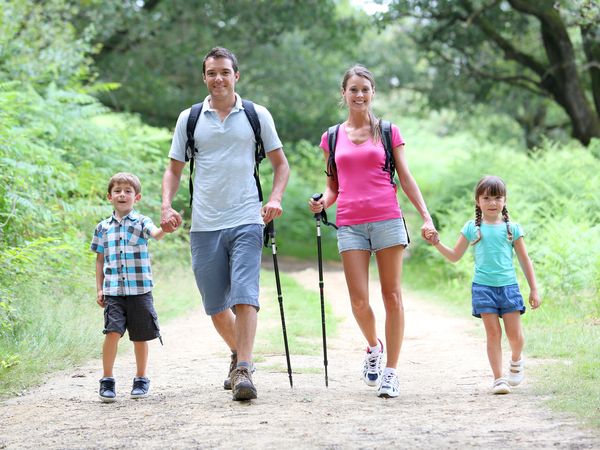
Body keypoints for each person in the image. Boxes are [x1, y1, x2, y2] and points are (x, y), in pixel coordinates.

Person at [161, 47, 289, 401]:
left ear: (236, 76)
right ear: (204, 77)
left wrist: (275, 198)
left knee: (245, 296)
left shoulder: (255, 115)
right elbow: (174, 169)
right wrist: (166, 205)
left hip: (247, 218)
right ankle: (238, 353)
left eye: (225, 72)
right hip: (204, 224)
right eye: (212, 72)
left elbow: (281, 164)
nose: (218, 78)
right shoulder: (189, 119)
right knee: (216, 306)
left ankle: (244, 369)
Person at [308, 65, 437, 398]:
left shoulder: (389, 131)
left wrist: (425, 216)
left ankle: (392, 372)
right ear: (344, 93)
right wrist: (323, 201)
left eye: (365, 89)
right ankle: (373, 347)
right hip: (350, 223)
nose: (359, 95)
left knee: (392, 296)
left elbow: (405, 177)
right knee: (358, 301)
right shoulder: (332, 137)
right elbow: (333, 186)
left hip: (387, 220)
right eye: (353, 89)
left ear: (373, 92)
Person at [428, 175, 541, 394]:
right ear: (478, 201)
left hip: (509, 288)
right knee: (492, 333)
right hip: (483, 288)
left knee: (515, 336)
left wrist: (534, 288)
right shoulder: (472, 228)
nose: (492, 203)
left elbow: (525, 260)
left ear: (505, 200)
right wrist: (437, 243)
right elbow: (454, 256)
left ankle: (516, 360)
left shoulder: (513, 229)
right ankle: (499, 378)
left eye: (497, 198)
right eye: (487, 198)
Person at [91, 172, 167, 402]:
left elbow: (157, 234)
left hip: (140, 291)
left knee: (140, 336)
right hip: (114, 291)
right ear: (109, 196)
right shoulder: (102, 228)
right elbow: (99, 260)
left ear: (137, 197)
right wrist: (99, 288)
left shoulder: (142, 222)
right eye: (117, 191)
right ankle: (107, 379)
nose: (122, 195)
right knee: (112, 332)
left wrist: (167, 226)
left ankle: (141, 378)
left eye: (128, 191)